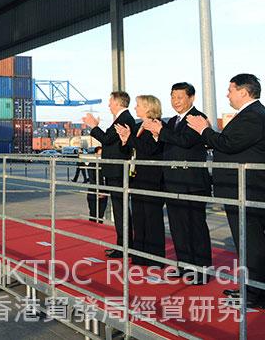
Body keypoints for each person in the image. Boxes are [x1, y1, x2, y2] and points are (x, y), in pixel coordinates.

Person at [187, 73, 265, 307]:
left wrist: (204, 130)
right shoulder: (251, 114)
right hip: (241, 189)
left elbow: (228, 144)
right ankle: (250, 288)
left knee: (251, 244)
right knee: (248, 243)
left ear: (244, 91)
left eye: (230, 90)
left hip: (246, 189)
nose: (227, 94)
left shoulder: (253, 116)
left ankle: (255, 295)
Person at [141, 83, 212, 283]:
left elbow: (186, 141)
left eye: (180, 97)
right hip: (172, 181)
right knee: (178, 227)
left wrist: (160, 131)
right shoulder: (172, 121)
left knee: (194, 227)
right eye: (172, 97)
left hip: (192, 182)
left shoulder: (197, 118)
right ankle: (184, 266)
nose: (175, 101)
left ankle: (201, 272)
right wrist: (156, 134)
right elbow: (166, 144)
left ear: (191, 98)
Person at [83, 91, 136, 258]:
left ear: (118, 103)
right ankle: (123, 244)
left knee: (120, 210)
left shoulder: (124, 119)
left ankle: (124, 246)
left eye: (110, 102)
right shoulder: (122, 118)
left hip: (117, 171)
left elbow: (106, 140)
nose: (108, 105)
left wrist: (93, 126)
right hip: (115, 171)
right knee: (120, 210)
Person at [115, 95, 166, 267]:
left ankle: (155, 258)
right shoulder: (138, 127)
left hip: (152, 178)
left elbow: (150, 149)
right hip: (136, 177)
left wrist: (130, 138)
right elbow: (128, 149)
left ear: (148, 107)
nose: (135, 108)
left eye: (138, 105)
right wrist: (124, 141)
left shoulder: (157, 126)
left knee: (152, 218)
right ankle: (139, 255)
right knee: (138, 217)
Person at [84, 146, 108, 223]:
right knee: (93, 214)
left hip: (104, 193)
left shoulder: (106, 165)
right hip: (93, 193)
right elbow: (92, 180)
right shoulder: (92, 165)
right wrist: (98, 192)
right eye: (99, 154)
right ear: (95, 154)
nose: (101, 156)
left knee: (101, 215)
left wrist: (105, 192)